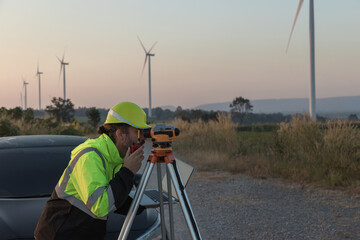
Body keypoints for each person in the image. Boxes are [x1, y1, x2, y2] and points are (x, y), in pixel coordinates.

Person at [34, 101, 150, 240]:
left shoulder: (115, 158)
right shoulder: (90, 156)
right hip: (60, 234)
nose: (142, 138)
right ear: (120, 134)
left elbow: (111, 196)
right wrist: (127, 171)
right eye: (137, 132)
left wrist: (139, 205)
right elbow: (100, 206)